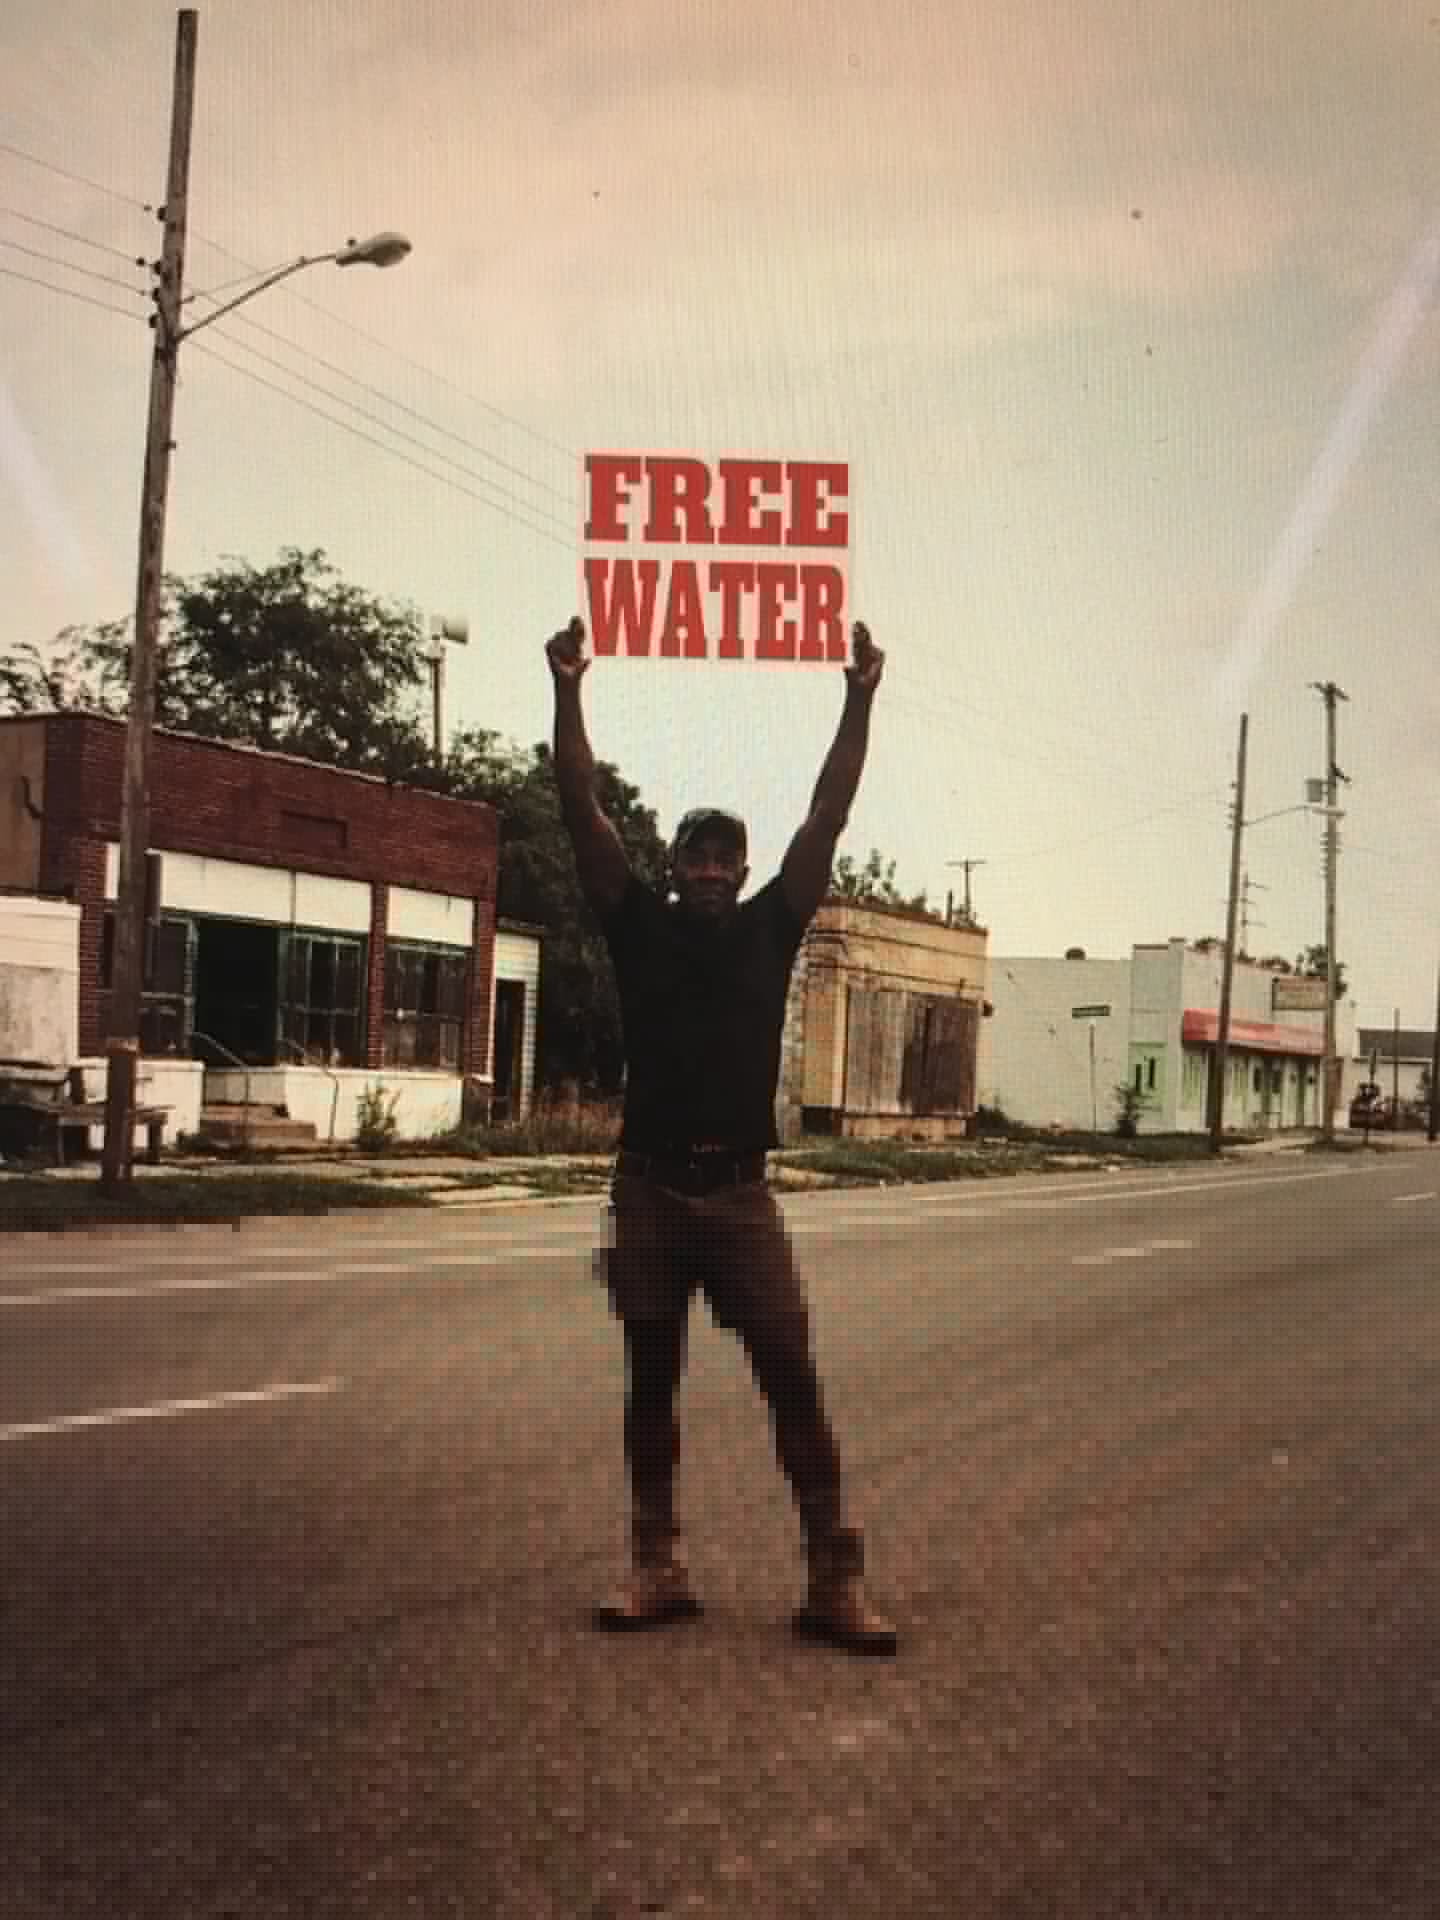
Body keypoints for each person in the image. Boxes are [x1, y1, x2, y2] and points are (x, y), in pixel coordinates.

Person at [546, 612, 898, 1655]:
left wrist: (860, 695)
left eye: (722, 858)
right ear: (671, 867)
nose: (707, 872)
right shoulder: (635, 925)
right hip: (648, 1189)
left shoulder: (770, 926)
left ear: (743, 872)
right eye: (693, 857)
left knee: (792, 1373)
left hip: (740, 1194)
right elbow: (579, 808)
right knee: (650, 1381)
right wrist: (568, 687)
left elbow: (828, 815)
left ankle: (833, 1578)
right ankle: (656, 1562)